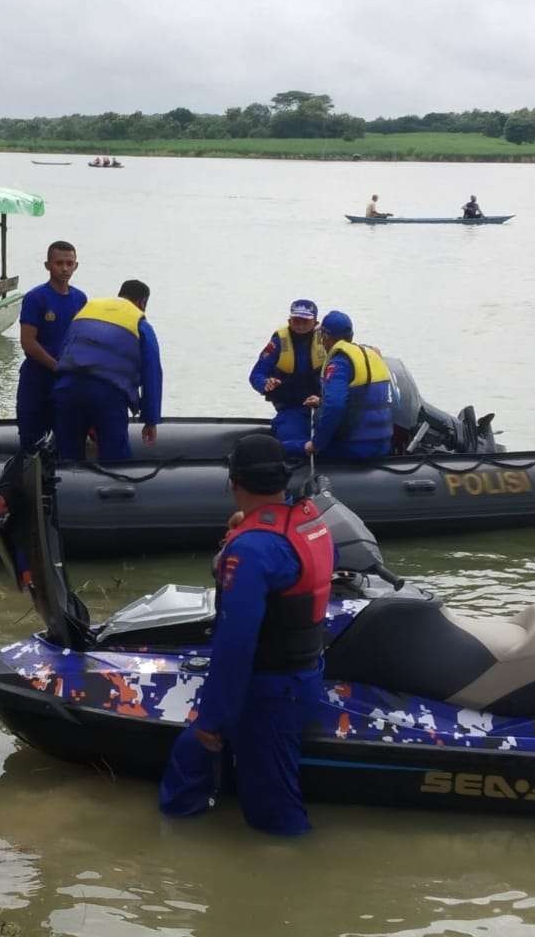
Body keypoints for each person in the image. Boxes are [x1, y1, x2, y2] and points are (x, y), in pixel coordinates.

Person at [159, 434, 333, 835]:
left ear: (234, 483)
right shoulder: (310, 519)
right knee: (189, 758)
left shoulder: (252, 549)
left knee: (273, 812)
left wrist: (212, 718)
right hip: (301, 673)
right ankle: (177, 845)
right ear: (282, 481)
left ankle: (284, 877)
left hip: (269, 691)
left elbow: (236, 643)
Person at [53, 279, 162, 462]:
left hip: (67, 389)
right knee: (116, 459)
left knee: (68, 457)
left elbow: (63, 352)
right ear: (142, 303)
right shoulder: (139, 322)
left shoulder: (86, 312)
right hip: (107, 394)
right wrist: (150, 420)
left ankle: (66, 488)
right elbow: (152, 374)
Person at [15, 240, 87, 451]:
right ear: (48, 265)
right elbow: (28, 342)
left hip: (66, 383)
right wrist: (56, 366)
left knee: (68, 442)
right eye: (59, 263)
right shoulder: (36, 298)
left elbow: (83, 339)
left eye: (69, 263)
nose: (65, 268)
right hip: (36, 380)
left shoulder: (80, 299)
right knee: (30, 441)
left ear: (76, 265)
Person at [304, 310, 393, 461]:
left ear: (325, 337)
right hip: (383, 445)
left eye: (320, 337)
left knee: (290, 446)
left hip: (353, 447)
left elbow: (335, 406)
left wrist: (316, 444)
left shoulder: (340, 362)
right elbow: (365, 399)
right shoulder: (372, 355)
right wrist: (321, 402)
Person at [249, 299, 324, 453]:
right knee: (290, 439)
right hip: (292, 406)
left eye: (305, 321)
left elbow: (347, 350)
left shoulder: (326, 338)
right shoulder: (278, 342)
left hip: (323, 405)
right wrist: (265, 383)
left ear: (315, 322)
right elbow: (256, 374)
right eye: (296, 320)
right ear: (289, 320)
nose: (301, 325)